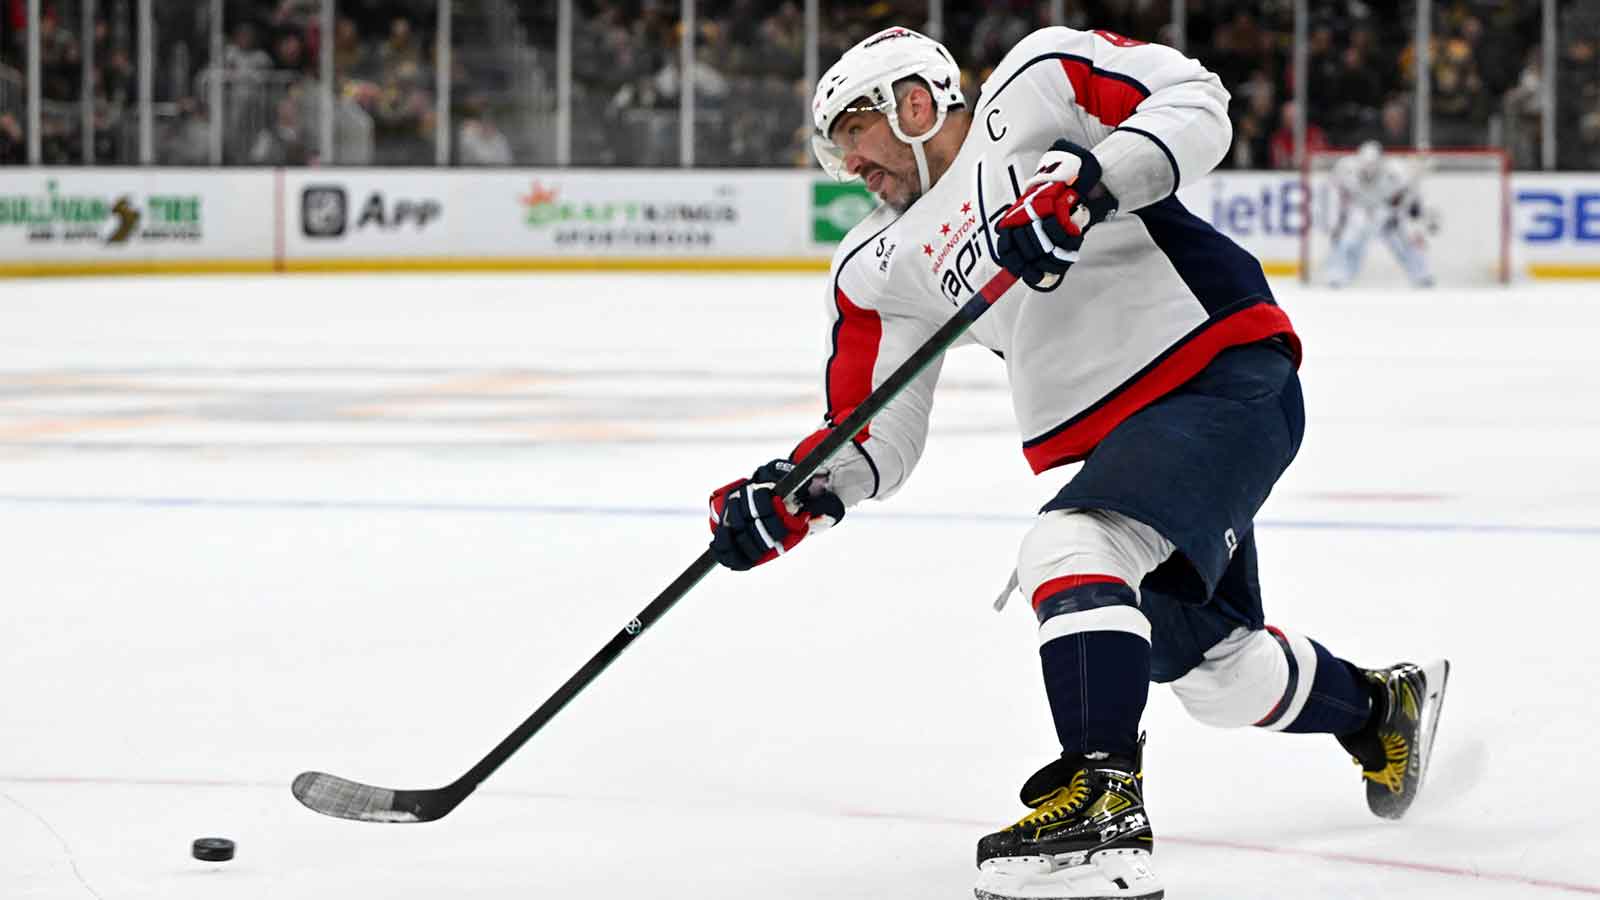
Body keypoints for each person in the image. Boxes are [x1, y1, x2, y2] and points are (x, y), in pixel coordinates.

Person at [705, 25, 1451, 900]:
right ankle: (1379, 709)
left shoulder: (1034, 87)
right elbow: (875, 432)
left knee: (1072, 546)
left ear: (913, 104)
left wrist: (1091, 183)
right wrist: (799, 494)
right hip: (1132, 442)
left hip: (1217, 372)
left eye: (855, 135)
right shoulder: (874, 265)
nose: (849, 165)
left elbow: (1195, 101)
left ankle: (1100, 800)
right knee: (1218, 674)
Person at [1325, 140, 1436, 288]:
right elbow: (1337, 193)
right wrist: (1338, 221)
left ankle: (1422, 276)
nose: (1368, 171)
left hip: (1385, 211)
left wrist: (1401, 211)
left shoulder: (1394, 172)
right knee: (1348, 241)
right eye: (1365, 166)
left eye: (1372, 166)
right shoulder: (1347, 169)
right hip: (1361, 210)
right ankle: (1338, 276)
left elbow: (1407, 192)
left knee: (1403, 243)